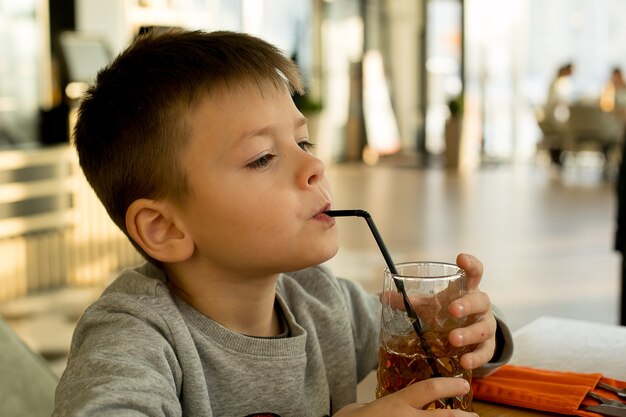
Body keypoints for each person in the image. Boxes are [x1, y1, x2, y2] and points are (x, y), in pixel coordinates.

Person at [52, 28, 513, 416]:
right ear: (164, 229)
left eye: (304, 143)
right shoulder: (132, 337)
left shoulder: (321, 298)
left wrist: (473, 332)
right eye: (262, 157)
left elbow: (426, 339)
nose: (314, 167)